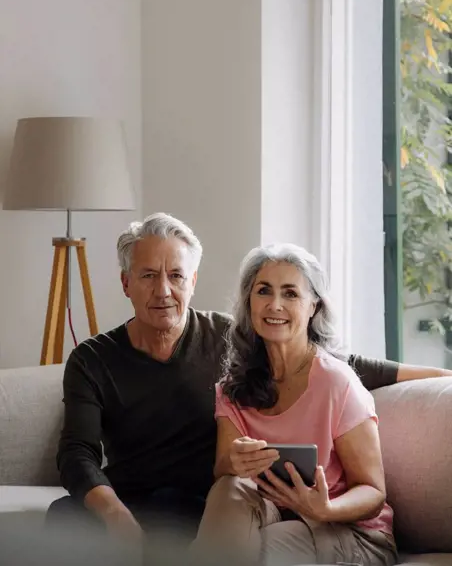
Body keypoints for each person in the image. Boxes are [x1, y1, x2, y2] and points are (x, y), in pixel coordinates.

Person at [48, 213, 451, 546]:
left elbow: (335, 361)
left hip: (201, 502)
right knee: (61, 517)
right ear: (125, 283)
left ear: (193, 281)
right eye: (149, 276)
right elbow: (77, 454)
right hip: (130, 497)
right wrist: (114, 514)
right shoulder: (92, 359)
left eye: (175, 275)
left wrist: (439, 375)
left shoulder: (231, 338)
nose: (164, 290)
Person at [193, 243, 399, 566]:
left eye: (290, 294)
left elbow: (373, 492)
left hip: (349, 530)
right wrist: (232, 462)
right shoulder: (234, 387)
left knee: (255, 551)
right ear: (250, 302)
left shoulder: (337, 383)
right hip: (275, 514)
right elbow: (223, 471)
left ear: (313, 306)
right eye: (264, 291)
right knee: (228, 491)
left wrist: (325, 509)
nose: (275, 305)